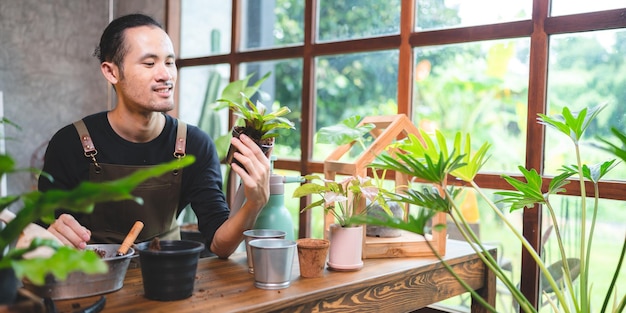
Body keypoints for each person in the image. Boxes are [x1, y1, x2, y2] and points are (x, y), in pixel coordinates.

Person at [38, 13, 271, 259]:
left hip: (168, 277)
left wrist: (254, 204)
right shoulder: (70, 143)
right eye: (149, 64)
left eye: (169, 62)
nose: (165, 75)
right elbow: (40, 230)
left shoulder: (194, 144)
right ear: (111, 72)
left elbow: (219, 244)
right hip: (95, 281)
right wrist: (52, 231)